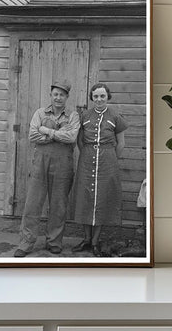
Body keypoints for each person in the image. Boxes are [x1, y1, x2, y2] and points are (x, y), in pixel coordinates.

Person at [14, 80, 80, 258]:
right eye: (55, 94)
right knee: (32, 204)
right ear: (51, 96)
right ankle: (26, 243)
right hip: (40, 162)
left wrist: (47, 131)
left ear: (67, 97)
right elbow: (33, 134)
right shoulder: (39, 113)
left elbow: (72, 137)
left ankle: (54, 242)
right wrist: (57, 135)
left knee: (59, 205)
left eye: (62, 95)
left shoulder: (73, 116)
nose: (58, 98)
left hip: (63, 164)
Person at [72, 83, 128, 257]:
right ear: (92, 98)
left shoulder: (115, 117)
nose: (99, 100)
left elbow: (121, 144)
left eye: (102, 96)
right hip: (87, 159)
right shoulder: (85, 116)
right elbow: (80, 141)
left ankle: (95, 242)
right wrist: (88, 154)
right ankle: (86, 239)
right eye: (95, 96)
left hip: (107, 160)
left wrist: (110, 159)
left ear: (107, 97)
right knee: (85, 197)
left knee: (102, 199)